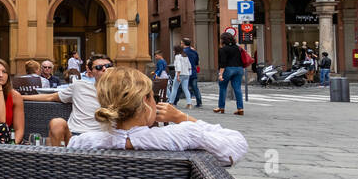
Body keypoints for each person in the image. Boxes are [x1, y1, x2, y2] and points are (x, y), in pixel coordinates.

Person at [68, 67, 248, 166]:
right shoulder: (182, 135)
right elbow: (236, 148)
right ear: (146, 100)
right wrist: (182, 118)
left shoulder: (82, 142)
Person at [26, 54, 114, 147]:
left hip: (104, 137)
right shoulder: (79, 86)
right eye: (99, 67)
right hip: (76, 135)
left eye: (108, 66)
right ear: (90, 71)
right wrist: (21, 97)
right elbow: (50, 97)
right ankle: (57, 159)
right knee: (57, 123)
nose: (104, 69)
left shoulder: (122, 91)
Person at [214, 33, 245, 115]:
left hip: (228, 69)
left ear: (223, 40)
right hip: (239, 69)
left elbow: (223, 63)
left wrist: (220, 74)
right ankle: (240, 108)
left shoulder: (223, 49)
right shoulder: (238, 48)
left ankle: (221, 107)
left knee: (223, 88)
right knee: (237, 89)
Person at [168, 43, 191, 108]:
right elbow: (189, 66)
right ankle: (189, 103)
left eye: (174, 50)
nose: (173, 51)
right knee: (185, 89)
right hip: (186, 74)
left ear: (176, 50)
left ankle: (171, 103)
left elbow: (178, 66)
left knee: (174, 88)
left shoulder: (177, 56)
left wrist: (177, 75)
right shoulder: (185, 56)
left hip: (179, 74)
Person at [182, 38, 203, 108]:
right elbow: (197, 62)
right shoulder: (194, 52)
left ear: (183, 43)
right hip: (193, 71)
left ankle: (174, 101)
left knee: (181, 87)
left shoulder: (183, 52)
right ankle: (199, 102)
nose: (181, 44)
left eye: (181, 43)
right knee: (195, 87)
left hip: (185, 71)